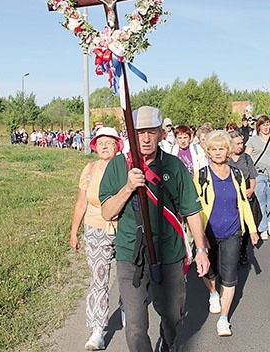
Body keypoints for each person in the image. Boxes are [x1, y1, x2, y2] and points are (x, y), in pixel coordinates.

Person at [99, 106, 210, 352]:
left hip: (169, 253)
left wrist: (201, 249)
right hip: (131, 255)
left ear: (161, 133)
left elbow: (191, 210)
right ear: (131, 134)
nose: (146, 138)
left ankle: (166, 343)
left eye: (151, 132)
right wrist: (128, 187)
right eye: (140, 133)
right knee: (136, 327)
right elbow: (107, 212)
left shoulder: (174, 166)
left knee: (173, 315)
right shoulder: (118, 166)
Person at [193, 130, 259, 337]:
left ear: (227, 150)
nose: (218, 152)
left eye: (222, 148)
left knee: (229, 276)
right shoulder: (201, 176)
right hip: (208, 232)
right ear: (208, 152)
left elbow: (243, 203)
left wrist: (253, 229)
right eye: (214, 149)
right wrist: (198, 237)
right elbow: (194, 209)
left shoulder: (237, 174)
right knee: (209, 272)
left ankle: (224, 318)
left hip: (233, 231)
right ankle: (213, 292)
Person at [70, 127, 124, 350]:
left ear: (117, 146)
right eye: (99, 142)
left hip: (124, 229)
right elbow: (81, 202)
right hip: (95, 229)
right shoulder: (90, 169)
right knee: (99, 279)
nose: (103, 146)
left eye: (109, 142)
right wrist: (73, 232)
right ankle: (97, 330)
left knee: (128, 276)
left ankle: (127, 311)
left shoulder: (124, 167)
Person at [245, 114, 270, 240]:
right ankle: (262, 227)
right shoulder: (253, 140)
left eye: (268, 124)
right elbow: (247, 157)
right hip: (258, 173)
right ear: (258, 127)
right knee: (260, 201)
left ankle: (269, 222)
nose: (266, 127)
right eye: (263, 125)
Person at [227, 130, 259, 265]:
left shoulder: (246, 158)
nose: (240, 146)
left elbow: (252, 176)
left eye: (242, 143)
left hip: (246, 194)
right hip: (230, 195)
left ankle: (243, 250)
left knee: (245, 225)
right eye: (237, 143)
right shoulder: (225, 159)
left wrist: (251, 189)